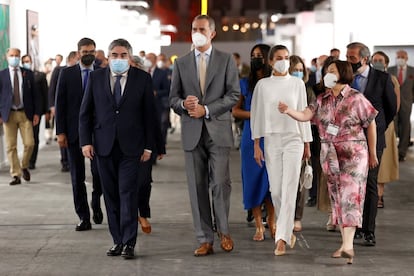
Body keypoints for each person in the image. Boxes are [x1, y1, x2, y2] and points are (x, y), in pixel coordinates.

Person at [278, 59, 379, 264]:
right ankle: (345, 244)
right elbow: (306, 114)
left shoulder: (356, 98)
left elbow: (371, 123)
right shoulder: (322, 99)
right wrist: (289, 110)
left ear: (342, 73)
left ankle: (349, 245)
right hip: (329, 154)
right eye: (326, 71)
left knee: (350, 197)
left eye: (331, 71)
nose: (327, 74)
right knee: (338, 199)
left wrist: (374, 153)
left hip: (354, 154)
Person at [169, 14, 240, 257]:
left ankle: (224, 231)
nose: (196, 32)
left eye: (201, 29)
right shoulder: (181, 63)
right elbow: (172, 99)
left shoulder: (225, 60)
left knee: (220, 184)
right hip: (192, 132)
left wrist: (207, 109)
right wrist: (184, 104)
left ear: (212, 33)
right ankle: (205, 238)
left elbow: (233, 95)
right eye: (193, 29)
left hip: (217, 130)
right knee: (196, 186)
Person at [79, 38, 156, 259]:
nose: (119, 59)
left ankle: (129, 242)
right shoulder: (96, 78)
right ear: (108, 57)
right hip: (103, 146)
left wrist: (149, 147)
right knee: (110, 195)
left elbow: (149, 116)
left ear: (129, 58)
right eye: (115, 55)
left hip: (132, 147)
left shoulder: (142, 78)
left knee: (127, 193)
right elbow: (85, 113)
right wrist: (86, 141)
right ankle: (117, 240)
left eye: (123, 55)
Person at [250, 44, 312, 256]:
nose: (283, 60)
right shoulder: (262, 85)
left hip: (294, 138)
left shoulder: (297, 84)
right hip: (271, 140)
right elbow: (256, 115)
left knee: (290, 188)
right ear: (270, 61)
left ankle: (282, 238)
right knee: (276, 190)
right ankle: (285, 231)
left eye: (286, 57)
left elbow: (304, 114)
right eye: (279, 57)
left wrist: (307, 143)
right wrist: (256, 144)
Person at [346, 42, 397, 246]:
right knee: (352, 184)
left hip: (374, 140)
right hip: (349, 139)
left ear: (364, 59)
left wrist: (378, 129)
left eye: (352, 57)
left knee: (370, 184)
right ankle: (354, 226)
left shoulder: (382, 79)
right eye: (347, 56)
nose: (348, 61)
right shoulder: (346, 78)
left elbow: (391, 108)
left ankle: (368, 230)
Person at [55, 38, 103, 232]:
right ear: (78, 53)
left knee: (99, 174)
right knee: (77, 176)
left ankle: (96, 201)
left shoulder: (102, 74)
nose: (88, 54)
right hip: (74, 133)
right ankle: (83, 217)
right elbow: (60, 104)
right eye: (84, 51)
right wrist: (60, 132)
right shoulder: (66, 74)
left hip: (98, 133)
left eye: (91, 51)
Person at [232, 44, 275, 241]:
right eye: (253, 55)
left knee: (272, 183)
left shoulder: (276, 82)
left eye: (260, 55)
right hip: (251, 136)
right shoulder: (244, 83)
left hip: (273, 136)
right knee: (253, 181)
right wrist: (256, 115)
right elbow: (235, 110)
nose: (256, 58)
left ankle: (273, 223)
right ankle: (259, 225)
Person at [0, 48, 40, 185]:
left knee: (30, 143)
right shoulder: (2, 75)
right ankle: (16, 174)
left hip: (25, 113)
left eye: (17, 56)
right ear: (7, 57)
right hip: (8, 114)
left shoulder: (27, 73)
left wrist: (36, 113)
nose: (14, 58)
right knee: (10, 146)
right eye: (12, 55)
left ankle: (24, 165)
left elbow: (36, 95)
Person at [288, 54, 316, 232]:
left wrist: (307, 143)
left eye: (300, 70)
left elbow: (309, 117)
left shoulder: (308, 90)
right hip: (282, 137)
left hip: (301, 137)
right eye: (295, 70)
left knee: (300, 179)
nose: (298, 72)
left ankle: (297, 216)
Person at [371, 51, 401, 208]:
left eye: (380, 60)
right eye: (374, 60)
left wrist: (385, 122)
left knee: (384, 164)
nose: (376, 62)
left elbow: (395, 105)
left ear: (386, 63)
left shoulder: (391, 79)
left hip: (385, 126)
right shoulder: (367, 80)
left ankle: (379, 195)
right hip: (369, 125)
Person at [49, 51, 78, 172]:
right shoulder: (60, 70)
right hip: (61, 108)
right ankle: (65, 161)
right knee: (62, 133)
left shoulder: (82, 72)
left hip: (74, 111)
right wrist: (52, 105)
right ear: (71, 59)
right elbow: (52, 88)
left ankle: (71, 161)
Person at [21, 54, 49, 170]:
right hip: (21, 112)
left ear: (31, 62)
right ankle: (26, 160)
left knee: (34, 137)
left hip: (35, 112)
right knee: (26, 139)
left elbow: (44, 94)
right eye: (25, 61)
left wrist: (45, 111)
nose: (27, 63)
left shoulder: (39, 76)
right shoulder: (19, 76)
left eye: (28, 61)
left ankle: (32, 161)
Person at [388, 50, 414, 162]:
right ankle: (391, 151)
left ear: (407, 58)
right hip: (392, 103)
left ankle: (402, 152)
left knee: (405, 127)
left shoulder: (412, 71)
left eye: (402, 56)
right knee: (392, 126)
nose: (400, 58)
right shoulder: (390, 70)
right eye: (398, 56)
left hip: (407, 104)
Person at [146, 52, 171, 145]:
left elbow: (167, 89)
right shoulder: (142, 72)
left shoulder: (162, 73)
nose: (148, 60)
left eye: (150, 58)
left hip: (159, 104)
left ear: (155, 59)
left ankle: (160, 143)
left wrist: (157, 93)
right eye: (147, 58)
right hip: (146, 104)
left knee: (161, 124)